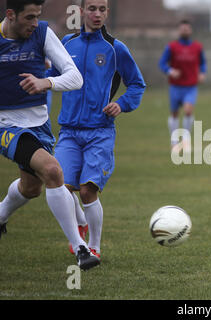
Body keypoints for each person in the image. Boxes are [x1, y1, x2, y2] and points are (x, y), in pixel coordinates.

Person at [0, 0, 100, 270]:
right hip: (6, 125)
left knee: (31, 188)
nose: (35, 23)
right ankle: (81, 249)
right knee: (54, 171)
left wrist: (47, 82)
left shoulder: (42, 34)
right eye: (29, 17)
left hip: (40, 125)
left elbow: (75, 77)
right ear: (10, 15)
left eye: (38, 16)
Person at [50, 0, 146, 260]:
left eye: (102, 9)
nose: (97, 14)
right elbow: (49, 77)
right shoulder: (66, 44)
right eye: (92, 8)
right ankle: (79, 224)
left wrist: (121, 103)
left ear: (107, 12)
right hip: (69, 130)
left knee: (87, 190)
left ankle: (95, 246)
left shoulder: (115, 49)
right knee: (60, 187)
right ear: (81, 12)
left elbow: (137, 84)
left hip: (99, 132)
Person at [159, 19, 207, 153]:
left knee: (188, 111)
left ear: (190, 30)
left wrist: (202, 73)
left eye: (187, 29)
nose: (185, 31)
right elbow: (162, 64)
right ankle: (174, 142)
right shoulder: (171, 47)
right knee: (174, 114)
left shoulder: (197, 47)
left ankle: (185, 140)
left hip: (190, 86)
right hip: (175, 86)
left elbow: (203, 63)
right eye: (183, 29)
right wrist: (170, 71)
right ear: (179, 30)